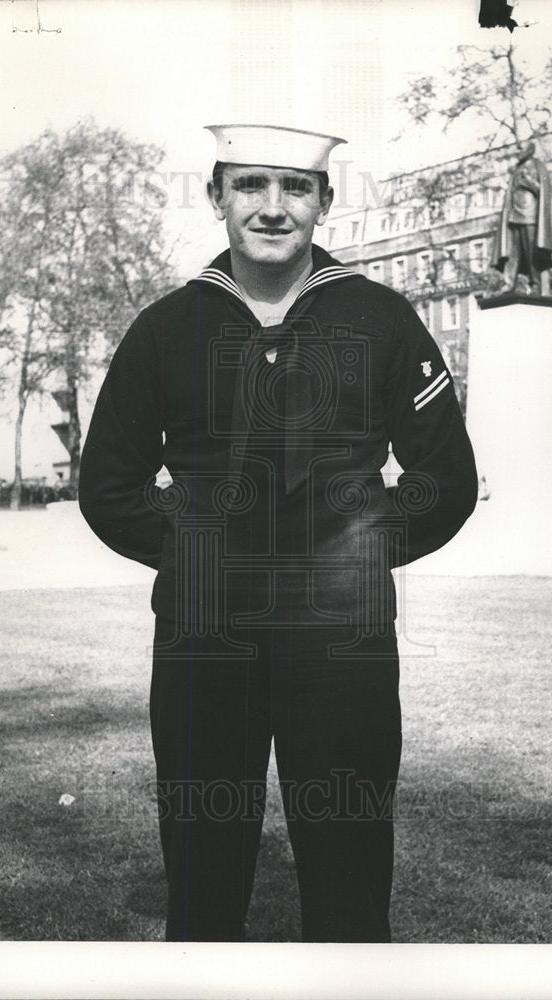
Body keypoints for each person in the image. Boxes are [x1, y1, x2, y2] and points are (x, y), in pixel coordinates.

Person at [79, 124, 477, 942]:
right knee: (201, 868)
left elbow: (446, 481)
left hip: (341, 637)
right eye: (250, 185)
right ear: (216, 195)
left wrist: (356, 546)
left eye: (294, 187)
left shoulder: (382, 318)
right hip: (203, 634)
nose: (272, 207)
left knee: (350, 870)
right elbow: (109, 487)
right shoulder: (164, 328)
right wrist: (197, 549)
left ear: (325, 201)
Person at [493, 139, 552, 295]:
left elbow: (544, 192)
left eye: (520, 149)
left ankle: (535, 283)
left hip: (531, 217)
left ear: (529, 150)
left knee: (532, 253)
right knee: (512, 253)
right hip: (514, 216)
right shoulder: (517, 169)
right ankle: (508, 283)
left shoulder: (538, 166)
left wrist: (528, 182)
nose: (517, 152)